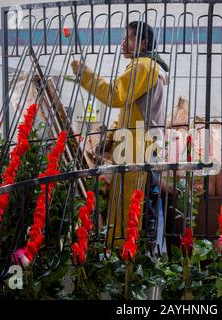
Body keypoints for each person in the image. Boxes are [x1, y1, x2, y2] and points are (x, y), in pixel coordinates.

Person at [71, 21, 169, 252]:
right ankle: (137, 254)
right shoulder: (149, 66)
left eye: (131, 38)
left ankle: (129, 258)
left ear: (144, 43)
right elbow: (130, 110)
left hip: (137, 149)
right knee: (142, 205)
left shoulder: (144, 67)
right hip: (137, 145)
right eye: (124, 37)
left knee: (131, 208)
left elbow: (115, 95)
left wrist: (84, 75)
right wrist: (112, 135)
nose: (124, 42)